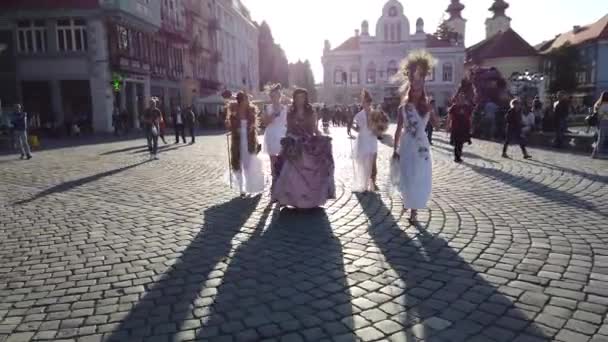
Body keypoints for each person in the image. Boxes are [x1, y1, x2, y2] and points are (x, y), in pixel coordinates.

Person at [392, 53, 440, 223]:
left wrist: (432, 111)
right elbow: (398, 129)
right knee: (407, 175)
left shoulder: (426, 107)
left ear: (422, 91)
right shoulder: (403, 108)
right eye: (414, 88)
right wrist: (394, 149)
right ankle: (408, 202)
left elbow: (437, 125)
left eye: (419, 89)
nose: (416, 92)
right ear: (410, 89)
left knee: (419, 176)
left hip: (421, 147)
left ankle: (414, 210)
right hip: (406, 145)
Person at [272, 88, 335, 208]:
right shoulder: (290, 113)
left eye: (302, 97)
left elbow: (315, 129)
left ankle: (307, 201)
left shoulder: (311, 112)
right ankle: (290, 199)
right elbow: (289, 129)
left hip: (308, 145)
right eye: (298, 97)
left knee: (309, 173)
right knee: (290, 172)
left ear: (306, 99)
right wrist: (285, 143)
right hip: (293, 145)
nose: (300, 99)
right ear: (294, 99)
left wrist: (323, 137)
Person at [226, 91, 265, 197]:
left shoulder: (251, 110)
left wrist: (250, 129)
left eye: (248, 99)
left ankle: (251, 186)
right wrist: (232, 127)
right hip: (238, 140)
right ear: (241, 101)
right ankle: (241, 189)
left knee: (249, 165)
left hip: (249, 140)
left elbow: (254, 125)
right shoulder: (233, 110)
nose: (248, 101)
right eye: (246, 99)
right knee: (238, 164)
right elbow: (230, 125)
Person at [350, 90, 379, 192]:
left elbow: (379, 128)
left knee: (373, 162)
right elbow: (358, 129)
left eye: (368, 102)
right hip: (363, 140)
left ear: (370, 103)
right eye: (364, 102)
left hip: (372, 140)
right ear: (362, 103)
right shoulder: (358, 115)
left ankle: (373, 182)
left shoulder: (375, 114)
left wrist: (377, 130)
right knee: (363, 163)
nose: (366, 104)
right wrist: (351, 126)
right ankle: (364, 184)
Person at [261, 84, 287, 188]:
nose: (274, 98)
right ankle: (274, 178)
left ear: (280, 96)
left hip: (282, 133)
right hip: (271, 133)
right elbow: (265, 122)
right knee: (273, 158)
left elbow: (288, 122)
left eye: (276, 95)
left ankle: (282, 177)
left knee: (283, 157)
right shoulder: (267, 108)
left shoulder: (286, 108)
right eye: (272, 96)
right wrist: (274, 115)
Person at [447, 92, 473, 163]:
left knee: (461, 143)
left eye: (462, 98)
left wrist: (471, 127)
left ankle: (459, 156)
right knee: (456, 143)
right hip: (456, 127)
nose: (461, 99)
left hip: (464, 128)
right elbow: (450, 116)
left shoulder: (467, 107)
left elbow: (470, 117)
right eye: (460, 98)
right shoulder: (454, 107)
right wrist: (448, 125)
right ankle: (456, 157)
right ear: (458, 99)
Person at [592, 91, 608, 158]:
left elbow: (597, 113)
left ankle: (595, 153)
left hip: (601, 122)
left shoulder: (598, 103)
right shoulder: (602, 104)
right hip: (604, 121)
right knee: (601, 138)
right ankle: (597, 153)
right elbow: (601, 114)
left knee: (601, 138)